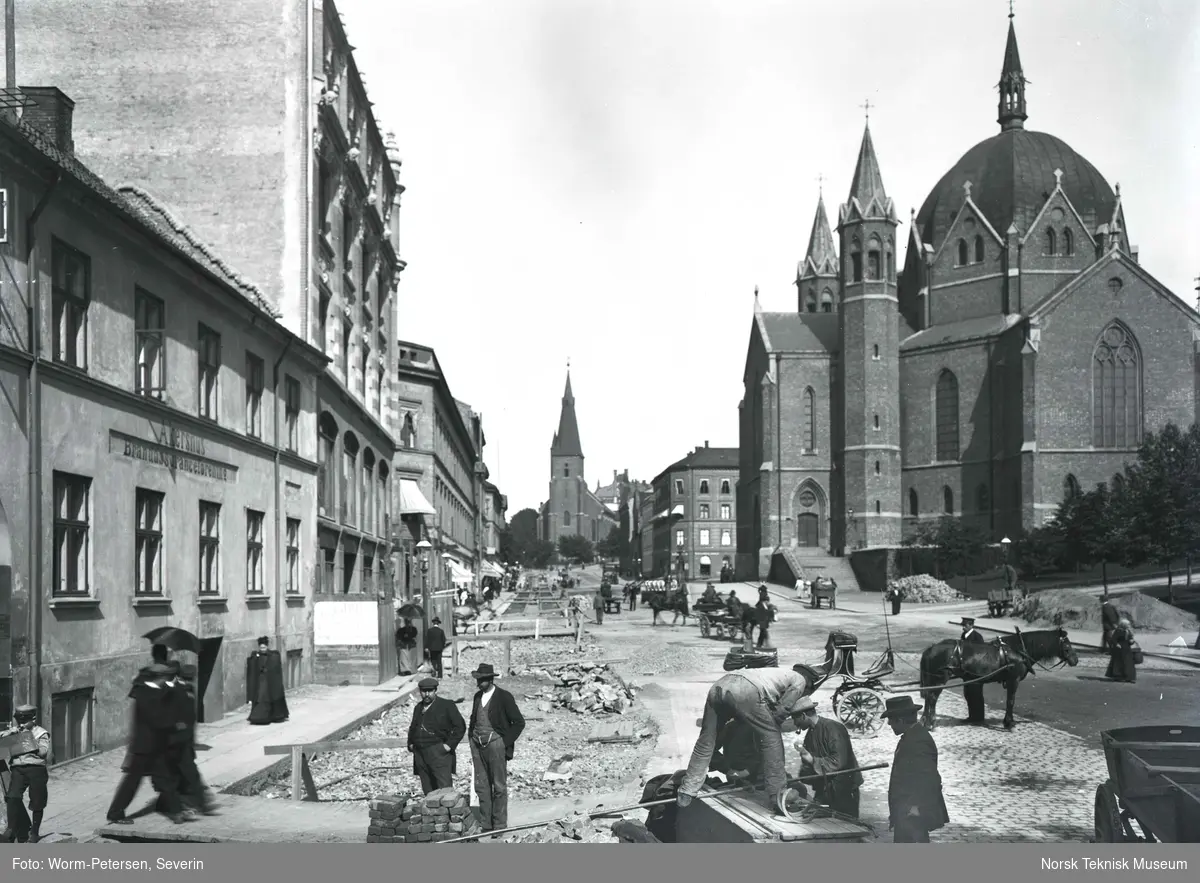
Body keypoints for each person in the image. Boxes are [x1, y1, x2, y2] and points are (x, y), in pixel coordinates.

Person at [677, 667, 815, 810]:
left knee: (706, 740)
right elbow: (780, 711)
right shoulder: (801, 680)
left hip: (719, 685)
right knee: (772, 739)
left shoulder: (773, 674)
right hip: (744, 689)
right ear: (810, 684)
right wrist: (771, 723)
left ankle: (687, 791)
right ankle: (778, 796)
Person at [108, 657, 186, 825]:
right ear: (158, 677)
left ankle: (176, 811)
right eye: (165, 677)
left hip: (155, 745)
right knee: (133, 782)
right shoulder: (145, 693)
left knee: (164, 779)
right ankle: (115, 813)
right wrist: (175, 723)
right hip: (145, 746)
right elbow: (157, 719)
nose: (166, 680)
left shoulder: (151, 690)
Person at [467, 663, 525, 833]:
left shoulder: (504, 697)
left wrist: (503, 743)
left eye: (481, 680)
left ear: (490, 679)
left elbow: (519, 723)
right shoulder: (478, 696)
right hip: (477, 746)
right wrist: (471, 737)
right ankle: (486, 824)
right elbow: (474, 718)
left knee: (498, 786)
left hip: (496, 745)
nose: (478, 683)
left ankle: (499, 825)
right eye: (477, 680)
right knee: (481, 785)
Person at [881, 696, 948, 843]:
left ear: (900, 720)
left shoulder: (918, 741)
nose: (889, 724)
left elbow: (929, 778)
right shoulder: (912, 736)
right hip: (905, 811)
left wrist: (916, 806)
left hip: (913, 813)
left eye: (891, 720)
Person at [791, 697, 863, 819]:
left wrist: (812, 760)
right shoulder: (809, 736)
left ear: (803, 715)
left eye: (795, 719)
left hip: (844, 789)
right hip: (824, 790)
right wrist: (804, 772)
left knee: (847, 826)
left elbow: (839, 761)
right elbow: (809, 770)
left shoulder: (833, 728)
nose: (795, 723)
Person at [159, 665, 215, 817]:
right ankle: (200, 803)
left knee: (179, 774)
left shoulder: (180, 690)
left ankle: (198, 803)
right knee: (184, 774)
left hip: (178, 741)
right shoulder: (181, 691)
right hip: (179, 741)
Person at [1, 704, 51, 843]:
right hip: (18, 769)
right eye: (19, 721)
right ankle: (10, 830)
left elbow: (43, 752)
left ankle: (34, 832)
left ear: (33, 719)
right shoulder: (15, 731)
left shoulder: (41, 733)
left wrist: (29, 741)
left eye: (25, 721)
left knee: (37, 801)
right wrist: (10, 734)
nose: (21, 724)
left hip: (36, 769)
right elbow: (2, 740)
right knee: (12, 797)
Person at [407, 678, 466, 794]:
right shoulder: (418, 707)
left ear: (435, 691)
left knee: (444, 791)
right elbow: (413, 727)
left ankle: (446, 812)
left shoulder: (447, 705)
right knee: (428, 791)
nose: (427, 694)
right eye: (424, 691)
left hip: (438, 753)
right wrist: (410, 744)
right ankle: (431, 812)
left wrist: (448, 745)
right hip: (420, 754)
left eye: (430, 691)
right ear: (420, 692)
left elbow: (460, 727)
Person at [247, 636, 289, 724]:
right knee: (261, 696)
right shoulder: (256, 655)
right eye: (261, 647)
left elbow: (276, 668)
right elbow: (253, 668)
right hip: (261, 681)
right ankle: (259, 718)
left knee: (271, 696)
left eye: (264, 647)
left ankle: (275, 716)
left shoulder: (273, 655)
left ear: (267, 646)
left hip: (270, 681)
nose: (262, 649)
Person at [958, 617, 986, 724]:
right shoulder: (963, 636)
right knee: (968, 693)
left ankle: (979, 718)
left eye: (965, 625)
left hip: (976, 671)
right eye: (963, 625)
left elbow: (982, 654)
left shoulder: (977, 637)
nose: (963, 627)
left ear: (971, 625)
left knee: (977, 694)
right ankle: (972, 716)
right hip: (967, 670)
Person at [1106, 617, 1138, 684]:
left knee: (1129, 663)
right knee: (1119, 664)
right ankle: (1119, 677)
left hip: (1127, 649)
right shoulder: (1118, 630)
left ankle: (1130, 677)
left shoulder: (1128, 631)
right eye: (1127, 624)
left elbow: (1130, 639)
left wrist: (1132, 641)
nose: (1129, 626)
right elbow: (1113, 639)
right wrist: (1116, 644)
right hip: (1119, 650)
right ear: (1124, 625)